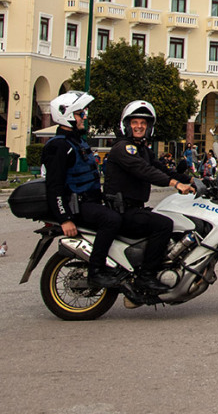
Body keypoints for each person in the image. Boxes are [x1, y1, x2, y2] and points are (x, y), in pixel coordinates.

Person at [103, 100, 195, 293]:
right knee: (163, 225)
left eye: (143, 123)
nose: (139, 126)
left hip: (134, 207)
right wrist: (175, 185)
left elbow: (161, 169)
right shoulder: (123, 148)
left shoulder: (142, 149)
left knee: (171, 220)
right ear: (127, 124)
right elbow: (144, 171)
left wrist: (192, 180)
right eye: (135, 122)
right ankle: (146, 277)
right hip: (122, 210)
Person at [42, 91, 122, 289]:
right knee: (111, 220)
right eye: (80, 114)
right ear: (66, 115)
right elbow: (54, 185)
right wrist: (65, 219)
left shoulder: (76, 141)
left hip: (88, 202)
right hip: (76, 206)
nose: (84, 117)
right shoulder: (59, 146)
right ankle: (96, 271)